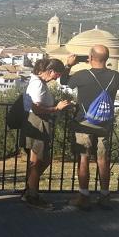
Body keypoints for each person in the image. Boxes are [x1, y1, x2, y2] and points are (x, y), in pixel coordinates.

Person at [61, 45, 119, 210]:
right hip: (105, 123)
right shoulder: (115, 76)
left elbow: (64, 81)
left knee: (84, 158)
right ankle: (104, 196)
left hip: (84, 123)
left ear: (90, 57)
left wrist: (69, 65)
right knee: (103, 159)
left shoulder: (82, 75)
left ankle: (84, 196)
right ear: (107, 58)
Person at [21, 57, 71, 210]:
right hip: (38, 122)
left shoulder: (38, 82)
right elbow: (36, 108)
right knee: (37, 162)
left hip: (38, 122)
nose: (57, 78)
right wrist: (57, 108)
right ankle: (32, 195)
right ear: (51, 71)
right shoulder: (37, 85)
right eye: (58, 75)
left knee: (41, 160)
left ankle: (30, 190)